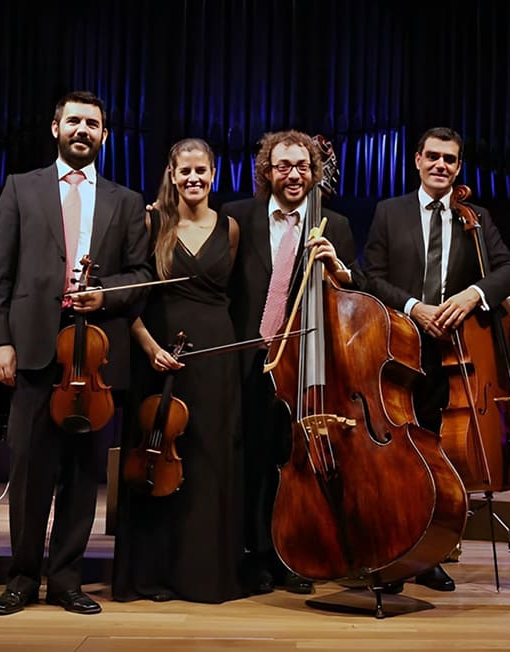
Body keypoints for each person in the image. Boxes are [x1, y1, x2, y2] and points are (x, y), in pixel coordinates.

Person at [0, 90, 150, 615]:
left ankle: (67, 579)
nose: (83, 130)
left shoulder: (125, 201)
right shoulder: (20, 188)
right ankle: (22, 577)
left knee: (82, 474)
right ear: (55, 128)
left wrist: (107, 294)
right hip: (32, 347)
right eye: (74, 121)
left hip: (93, 357)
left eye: (93, 124)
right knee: (30, 470)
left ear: (105, 136)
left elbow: (142, 277)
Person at [362, 126, 510, 592]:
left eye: (450, 160)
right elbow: (371, 276)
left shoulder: (475, 217)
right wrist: (415, 306)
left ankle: (428, 555)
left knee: (435, 458)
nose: (441, 166)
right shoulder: (388, 212)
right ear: (416, 160)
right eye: (433, 157)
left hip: (453, 359)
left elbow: (509, 269)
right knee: (394, 457)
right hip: (395, 350)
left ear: (458, 167)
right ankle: (391, 553)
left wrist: (473, 295)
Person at [223, 129, 359, 595]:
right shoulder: (236, 217)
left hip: (304, 365)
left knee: (293, 463)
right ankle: (252, 555)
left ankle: (292, 555)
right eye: (283, 165)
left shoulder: (334, 225)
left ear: (314, 171)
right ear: (267, 171)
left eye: (302, 166)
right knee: (252, 463)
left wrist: (339, 267)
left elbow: (355, 293)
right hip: (248, 359)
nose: (294, 174)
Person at [111, 138, 246, 603]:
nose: (193, 179)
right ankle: (152, 576)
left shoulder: (230, 227)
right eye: (184, 170)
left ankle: (203, 576)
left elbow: (238, 296)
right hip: (159, 355)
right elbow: (130, 297)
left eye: (201, 171)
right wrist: (148, 348)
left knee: (209, 461)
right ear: (171, 173)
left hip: (216, 357)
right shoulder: (152, 222)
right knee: (156, 461)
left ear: (214, 173)